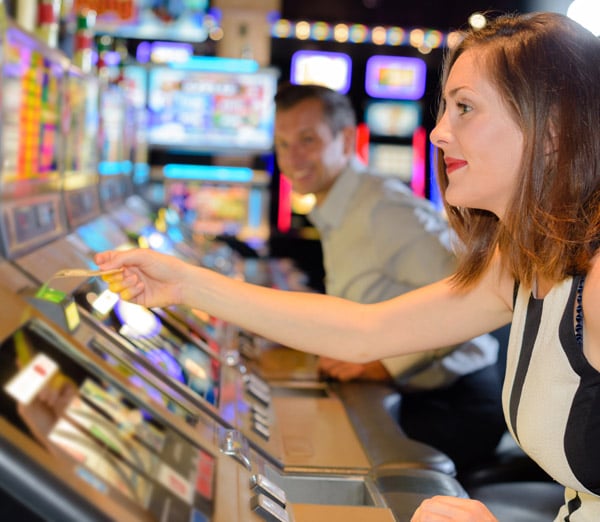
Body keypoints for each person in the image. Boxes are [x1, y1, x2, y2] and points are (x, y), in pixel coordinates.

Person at [96, 12, 600, 521]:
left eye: (465, 108)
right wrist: (184, 283)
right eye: (444, 109)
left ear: (552, 128)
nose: (439, 133)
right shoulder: (520, 259)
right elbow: (365, 330)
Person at [273, 81, 506, 473]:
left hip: (457, 405)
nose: (292, 157)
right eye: (282, 144)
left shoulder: (382, 209)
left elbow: (473, 293)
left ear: (347, 141)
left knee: (327, 455)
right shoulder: (340, 206)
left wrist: (384, 364)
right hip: (420, 394)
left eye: (307, 140)